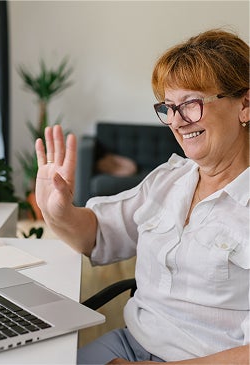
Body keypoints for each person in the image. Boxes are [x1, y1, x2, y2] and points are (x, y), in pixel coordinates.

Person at [34, 29, 249, 364]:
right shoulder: (169, 179)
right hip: (129, 345)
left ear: (245, 105)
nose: (177, 121)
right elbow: (98, 233)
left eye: (191, 104)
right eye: (169, 107)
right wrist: (59, 211)